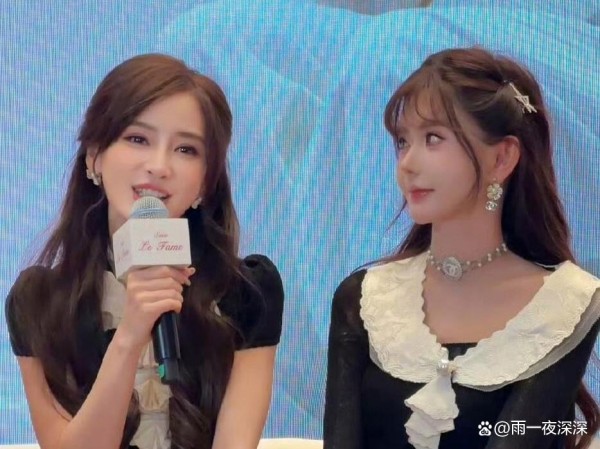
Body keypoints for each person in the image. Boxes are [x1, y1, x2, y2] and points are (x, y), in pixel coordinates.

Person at [324, 47, 600, 449]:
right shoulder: (365, 298)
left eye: (433, 138)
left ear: (502, 158)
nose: (407, 163)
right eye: (402, 141)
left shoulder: (567, 304)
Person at [5, 54, 284, 449]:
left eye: (186, 149)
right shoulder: (39, 301)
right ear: (94, 156)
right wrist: (130, 335)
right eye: (138, 139)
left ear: (207, 181)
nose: (159, 166)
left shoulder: (246, 292)